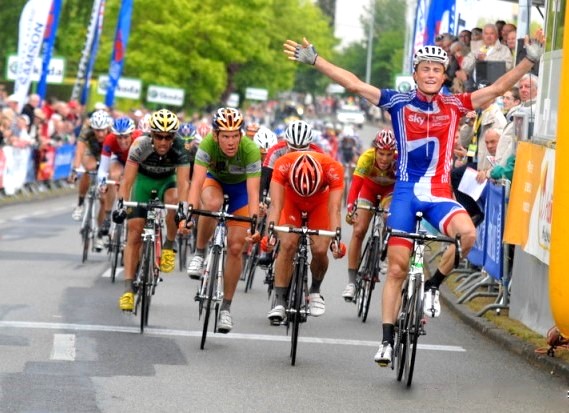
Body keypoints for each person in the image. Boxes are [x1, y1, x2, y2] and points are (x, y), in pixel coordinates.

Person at [283, 30, 544, 366]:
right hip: (404, 194)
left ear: (445, 74)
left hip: (437, 194)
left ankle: (433, 286)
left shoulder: (455, 103)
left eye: (438, 69)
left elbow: (496, 88)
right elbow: (355, 85)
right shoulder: (398, 101)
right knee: (396, 269)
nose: (432, 74)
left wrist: (529, 60)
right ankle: (387, 341)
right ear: (415, 73)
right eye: (426, 68)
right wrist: (316, 60)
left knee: (467, 235)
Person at [185, 107, 261, 333]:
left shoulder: (250, 150)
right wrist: (188, 212)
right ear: (216, 135)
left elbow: (254, 193)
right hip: (214, 182)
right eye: (225, 136)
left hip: (241, 192)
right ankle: (199, 253)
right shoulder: (207, 144)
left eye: (235, 136)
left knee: (236, 247)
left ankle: (226, 308)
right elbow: (196, 183)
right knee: (211, 204)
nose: (230, 141)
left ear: (241, 134)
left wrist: (255, 224)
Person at [116, 109, 190, 311]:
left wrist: (184, 209)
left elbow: (184, 183)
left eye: (168, 137)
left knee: (174, 200)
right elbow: (127, 180)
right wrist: (121, 204)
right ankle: (128, 290)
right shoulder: (140, 145)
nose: (163, 142)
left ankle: (168, 246)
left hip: (168, 182)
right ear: (152, 134)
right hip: (143, 182)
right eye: (159, 136)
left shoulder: (180, 147)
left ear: (174, 136)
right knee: (134, 233)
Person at [265, 151, 346, 324]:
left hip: (320, 202)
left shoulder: (333, 168)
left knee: (320, 248)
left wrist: (336, 240)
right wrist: (270, 235)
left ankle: (315, 290)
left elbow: (334, 209)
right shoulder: (282, 164)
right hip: (291, 201)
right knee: (287, 244)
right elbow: (276, 206)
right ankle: (279, 300)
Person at [342, 129, 397, 301]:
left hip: (389, 192)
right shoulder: (366, 157)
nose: (384, 158)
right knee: (359, 230)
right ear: (375, 150)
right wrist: (351, 207)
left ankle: (384, 252)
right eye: (381, 153)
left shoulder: (399, 160)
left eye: (389, 154)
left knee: (391, 217)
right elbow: (355, 185)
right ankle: (351, 282)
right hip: (368, 191)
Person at [69, 109, 112, 251]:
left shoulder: (113, 132)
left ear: (108, 127)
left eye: (102, 130)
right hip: (92, 153)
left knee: (104, 200)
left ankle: (100, 234)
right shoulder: (86, 130)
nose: (100, 133)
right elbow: (80, 152)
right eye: (97, 130)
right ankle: (80, 203)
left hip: (107, 155)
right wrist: (75, 169)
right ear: (92, 127)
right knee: (87, 169)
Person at [96, 116, 143, 236]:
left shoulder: (140, 138)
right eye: (119, 137)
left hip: (137, 162)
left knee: (134, 181)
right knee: (113, 176)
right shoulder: (109, 139)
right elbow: (103, 168)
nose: (122, 141)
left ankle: (131, 210)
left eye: (125, 137)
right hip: (120, 160)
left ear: (132, 134)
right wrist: (102, 183)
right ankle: (107, 216)